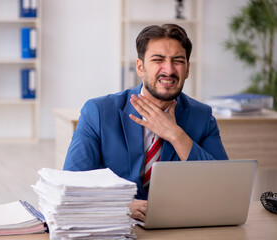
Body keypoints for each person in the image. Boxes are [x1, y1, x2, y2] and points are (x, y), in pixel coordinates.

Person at [63, 24, 228, 222]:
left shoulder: (202, 116)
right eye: (158, 60)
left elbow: (222, 186)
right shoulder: (98, 112)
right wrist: (118, 205)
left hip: (177, 225)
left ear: (187, 69)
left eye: (178, 61)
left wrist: (175, 135)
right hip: (115, 226)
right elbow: (71, 185)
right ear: (140, 67)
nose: (169, 70)